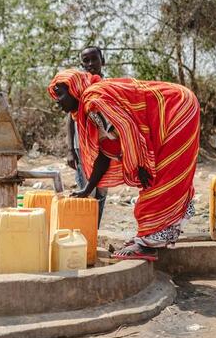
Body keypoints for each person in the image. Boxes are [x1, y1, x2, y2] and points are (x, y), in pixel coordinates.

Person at [49, 70, 200, 261]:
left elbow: (127, 127)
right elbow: (106, 151)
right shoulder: (92, 107)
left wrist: (140, 162)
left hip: (175, 108)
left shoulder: (93, 101)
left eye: (60, 93)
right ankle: (150, 238)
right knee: (159, 179)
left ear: (74, 89)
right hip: (172, 108)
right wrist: (87, 189)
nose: (57, 100)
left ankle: (147, 244)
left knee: (162, 179)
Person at [66, 46, 108, 228]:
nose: (90, 64)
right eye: (86, 60)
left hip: (105, 148)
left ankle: (93, 234)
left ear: (102, 60)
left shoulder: (109, 86)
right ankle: (85, 235)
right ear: (82, 64)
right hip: (81, 148)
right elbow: (69, 118)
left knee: (101, 192)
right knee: (87, 193)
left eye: (94, 59)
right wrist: (70, 150)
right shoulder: (78, 88)